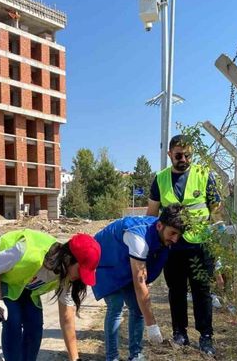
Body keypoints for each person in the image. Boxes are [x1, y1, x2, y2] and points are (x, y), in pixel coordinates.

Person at [0, 230, 101, 361]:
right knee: (13, 320)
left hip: (21, 283)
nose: (80, 277)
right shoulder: (28, 253)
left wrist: (75, 359)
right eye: (80, 270)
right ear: (69, 259)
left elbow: (66, 319)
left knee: (34, 325)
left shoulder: (66, 275)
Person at [146, 134, 221, 356]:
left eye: (188, 155)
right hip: (172, 247)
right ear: (170, 154)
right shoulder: (160, 179)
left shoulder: (203, 174)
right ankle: (180, 333)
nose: (184, 159)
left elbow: (216, 209)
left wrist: (218, 243)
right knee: (176, 291)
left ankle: (206, 336)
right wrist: (152, 247)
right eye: (179, 155)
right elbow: (152, 214)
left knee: (202, 292)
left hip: (200, 246)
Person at [92, 204, 185, 361]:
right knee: (116, 306)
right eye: (173, 233)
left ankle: (135, 355)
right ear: (159, 225)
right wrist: (152, 325)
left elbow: (143, 279)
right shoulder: (139, 238)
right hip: (106, 260)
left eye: (179, 235)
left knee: (137, 308)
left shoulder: (162, 232)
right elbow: (140, 282)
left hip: (125, 261)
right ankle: (112, 357)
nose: (175, 239)